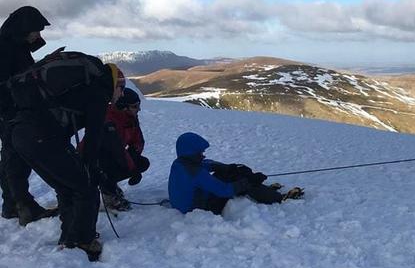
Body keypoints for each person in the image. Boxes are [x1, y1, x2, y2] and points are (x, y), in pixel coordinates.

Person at [10, 52, 125, 261]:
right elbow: (93, 135)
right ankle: (82, 241)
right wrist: (91, 168)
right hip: (41, 136)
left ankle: (70, 239)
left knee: (67, 186)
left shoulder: (86, 85)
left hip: (21, 134)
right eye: (122, 89)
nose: (121, 95)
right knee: (86, 187)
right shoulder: (99, 92)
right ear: (115, 84)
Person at [0, 6, 58, 224]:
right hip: (9, 111)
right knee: (14, 158)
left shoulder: (15, 47)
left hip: (13, 109)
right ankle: (22, 205)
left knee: (11, 156)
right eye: (36, 31)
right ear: (23, 29)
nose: (38, 35)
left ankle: (13, 204)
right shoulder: (5, 49)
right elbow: (7, 81)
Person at [168, 132, 304, 215]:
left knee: (232, 175)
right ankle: (278, 198)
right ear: (192, 152)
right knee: (237, 179)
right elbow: (224, 191)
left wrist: (225, 167)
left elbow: (206, 163)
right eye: (200, 152)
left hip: (184, 205)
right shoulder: (195, 172)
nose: (203, 155)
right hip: (198, 210)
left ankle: (261, 190)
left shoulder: (180, 163)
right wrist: (249, 181)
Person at [88, 87, 150, 212]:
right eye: (135, 106)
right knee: (107, 165)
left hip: (114, 155)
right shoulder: (108, 121)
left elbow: (138, 140)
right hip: (92, 159)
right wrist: (133, 170)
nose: (138, 109)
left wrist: (134, 152)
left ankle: (110, 184)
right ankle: (109, 195)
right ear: (123, 107)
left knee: (142, 163)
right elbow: (117, 150)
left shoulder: (130, 118)